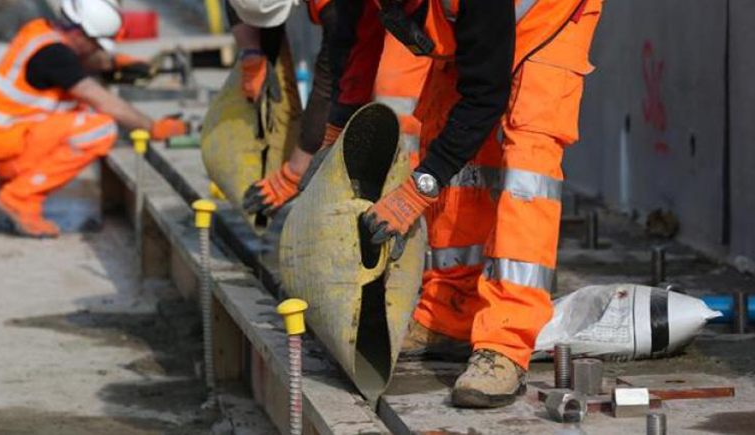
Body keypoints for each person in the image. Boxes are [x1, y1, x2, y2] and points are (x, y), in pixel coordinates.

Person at [328, 0, 602, 408]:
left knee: (527, 161)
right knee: (443, 121)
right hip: (476, 21)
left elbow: (484, 97)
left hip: (549, 16)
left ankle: (506, 342)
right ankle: (450, 313)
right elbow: (359, 39)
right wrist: (334, 135)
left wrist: (417, 190)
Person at [0, 0, 187, 238]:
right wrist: (152, 127)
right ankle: (19, 197)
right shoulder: (55, 55)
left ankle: (9, 186)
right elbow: (103, 100)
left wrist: (115, 63)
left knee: (79, 110)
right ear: (78, 33)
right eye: (96, 44)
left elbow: (77, 60)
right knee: (99, 128)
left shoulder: (40, 30)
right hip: (8, 147)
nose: (97, 50)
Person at [230, 0, 431, 215]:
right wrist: (250, 52)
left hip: (430, 27)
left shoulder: (335, 7)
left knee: (392, 93)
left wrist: (295, 172)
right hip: (382, 17)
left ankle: (410, 194)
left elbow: (333, 78)